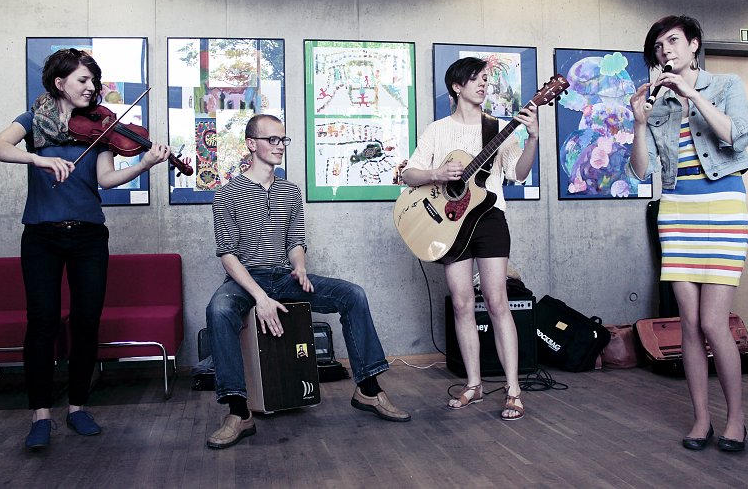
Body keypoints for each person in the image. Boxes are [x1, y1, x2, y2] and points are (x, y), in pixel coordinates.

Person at [0, 48, 171, 450]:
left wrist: (144, 165)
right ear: (60, 82)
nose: (91, 87)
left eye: (93, 81)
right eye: (83, 80)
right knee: (42, 322)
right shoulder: (32, 121)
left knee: (86, 322)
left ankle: (78, 407)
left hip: (88, 236)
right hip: (41, 236)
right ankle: (40, 415)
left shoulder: (101, 127)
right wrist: (38, 160)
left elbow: (105, 179)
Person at [205, 114, 410, 449]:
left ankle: (369, 390)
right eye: (271, 139)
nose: (279, 146)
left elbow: (295, 241)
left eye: (282, 140)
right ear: (251, 144)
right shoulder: (227, 195)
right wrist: (260, 297)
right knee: (218, 309)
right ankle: (238, 412)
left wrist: (299, 267)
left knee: (352, 295)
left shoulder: (289, 191)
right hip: (245, 279)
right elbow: (228, 255)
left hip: (284, 276)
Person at [629, 15, 748, 452]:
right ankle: (701, 419)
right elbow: (640, 171)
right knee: (689, 323)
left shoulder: (726, 85)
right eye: (658, 47)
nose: (666, 51)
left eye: (673, 41)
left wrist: (692, 95)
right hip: (678, 212)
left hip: (723, 208)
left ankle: (736, 419)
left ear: (694, 44)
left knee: (714, 323)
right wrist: (639, 123)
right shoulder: (657, 103)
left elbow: (736, 138)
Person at [402, 57, 539, 419]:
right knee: (462, 304)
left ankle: (513, 389)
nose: (483, 84)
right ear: (456, 86)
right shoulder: (437, 130)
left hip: (490, 218)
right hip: (450, 223)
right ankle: (474, 385)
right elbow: (409, 175)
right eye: (476, 78)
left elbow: (518, 173)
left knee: (497, 301)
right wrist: (437, 172)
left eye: (486, 79)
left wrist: (532, 138)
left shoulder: (498, 129)